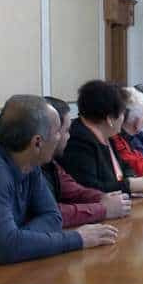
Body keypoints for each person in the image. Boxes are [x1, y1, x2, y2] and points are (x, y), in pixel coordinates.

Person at [0, 95, 118, 278]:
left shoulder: (30, 162)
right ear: (37, 142)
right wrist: (78, 238)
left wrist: (16, 242)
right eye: (57, 132)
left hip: (0, 267)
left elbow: (53, 217)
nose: (61, 137)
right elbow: (8, 247)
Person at [42, 97, 131, 228]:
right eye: (66, 131)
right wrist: (103, 209)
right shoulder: (78, 141)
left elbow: (73, 189)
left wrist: (103, 198)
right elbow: (49, 214)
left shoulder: (49, 162)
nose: (69, 136)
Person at [60, 80, 143, 195]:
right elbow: (90, 188)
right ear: (110, 118)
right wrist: (129, 185)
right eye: (122, 114)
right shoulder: (78, 142)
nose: (123, 118)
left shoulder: (108, 136)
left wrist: (133, 179)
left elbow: (125, 167)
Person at [111, 87, 143, 177]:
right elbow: (131, 164)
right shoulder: (116, 138)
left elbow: (138, 156)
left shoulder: (125, 137)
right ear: (137, 121)